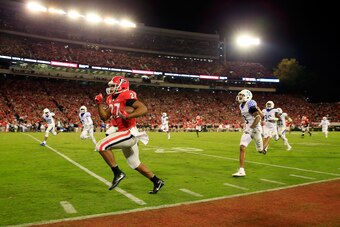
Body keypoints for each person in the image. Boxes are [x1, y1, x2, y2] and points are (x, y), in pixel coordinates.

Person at [95, 76, 164, 194]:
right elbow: (104, 117)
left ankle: (118, 173)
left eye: (113, 86)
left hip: (129, 132)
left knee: (101, 146)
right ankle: (157, 181)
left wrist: (128, 116)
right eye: (110, 86)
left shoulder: (127, 95)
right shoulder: (110, 98)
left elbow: (143, 108)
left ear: (121, 85)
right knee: (134, 163)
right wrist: (99, 104)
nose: (110, 88)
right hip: (122, 133)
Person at [233, 89, 263, 177]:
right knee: (242, 147)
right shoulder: (240, 106)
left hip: (256, 129)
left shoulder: (250, 103)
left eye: (242, 95)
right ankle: (242, 170)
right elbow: (248, 118)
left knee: (261, 151)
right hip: (248, 129)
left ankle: (266, 144)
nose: (240, 96)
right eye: (240, 95)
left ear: (247, 96)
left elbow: (257, 118)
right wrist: (245, 125)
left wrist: (250, 128)